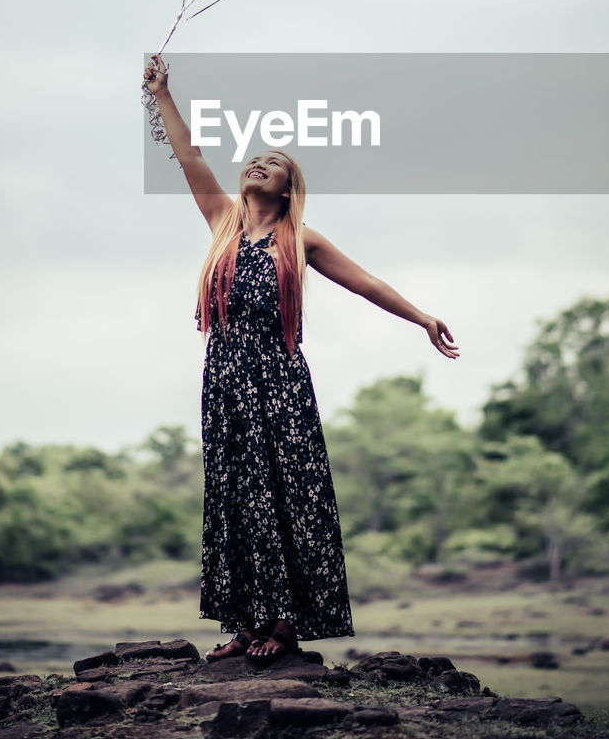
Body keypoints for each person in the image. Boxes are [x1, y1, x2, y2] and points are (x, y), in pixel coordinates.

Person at [142, 54, 459, 665]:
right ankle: (243, 619)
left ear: (288, 187)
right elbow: (190, 158)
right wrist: (161, 95)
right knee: (235, 494)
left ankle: (283, 624)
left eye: (276, 163)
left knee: (286, 494)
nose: (259, 163)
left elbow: (364, 282)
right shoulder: (222, 227)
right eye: (255, 158)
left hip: (280, 384)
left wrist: (421, 316)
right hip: (226, 384)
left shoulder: (300, 238)